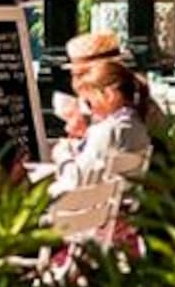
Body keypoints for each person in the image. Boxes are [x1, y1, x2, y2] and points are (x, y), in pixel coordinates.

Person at [50, 61, 152, 197]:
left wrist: (63, 155)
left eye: (89, 102)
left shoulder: (106, 130)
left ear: (109, 95)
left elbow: (75, 182)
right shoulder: (136, 124)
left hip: (88, 210)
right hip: (118, 204)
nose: (89, 110)